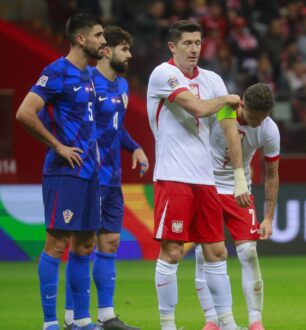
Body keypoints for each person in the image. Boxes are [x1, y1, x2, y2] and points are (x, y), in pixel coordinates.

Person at [146, 20, 250, 330]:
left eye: (197, 42)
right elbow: (198, 109)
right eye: (187, 43)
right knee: (173, 251)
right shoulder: (163, 74)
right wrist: (227, 99)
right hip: (173, 176)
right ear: (172, 46)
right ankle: (168, 324)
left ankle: (228, 323)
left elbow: (228, 126)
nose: (193, 48)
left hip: (206, 180)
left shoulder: (213, 79)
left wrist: (239, 172)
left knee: (217, 251)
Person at [15, 13, 106, 330]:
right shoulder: (56, 72)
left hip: (90, 173)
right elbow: (25, 112)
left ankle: (81, 319)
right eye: (98, 35)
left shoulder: (91, 76)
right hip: (64, 173)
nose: (103, 41)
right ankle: (50, 322)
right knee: (56, 245)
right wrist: (58, 146)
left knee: (85, 246)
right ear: (81, 39)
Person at [62, 25, 147, 330]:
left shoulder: (122, 87)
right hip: (89, 176)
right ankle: (73, 316)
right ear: (108, 51)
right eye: (125, 49)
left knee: (110, 242)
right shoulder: (86, 84)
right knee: (82, 245)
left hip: (113, 178)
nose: (130, 55)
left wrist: (135, 147)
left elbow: (115, 129)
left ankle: (107, 315)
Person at [196, 83, 280, 330]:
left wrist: (268, 217)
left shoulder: (269, 129)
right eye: (254, 117)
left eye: (263, 117)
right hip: (207, 186)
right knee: (204, 255)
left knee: (249, 254)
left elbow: (272, 173)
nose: (258, 122)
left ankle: (255, 320)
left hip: (239, 192)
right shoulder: (221, 111)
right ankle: (212, 320)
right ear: (243, 103)